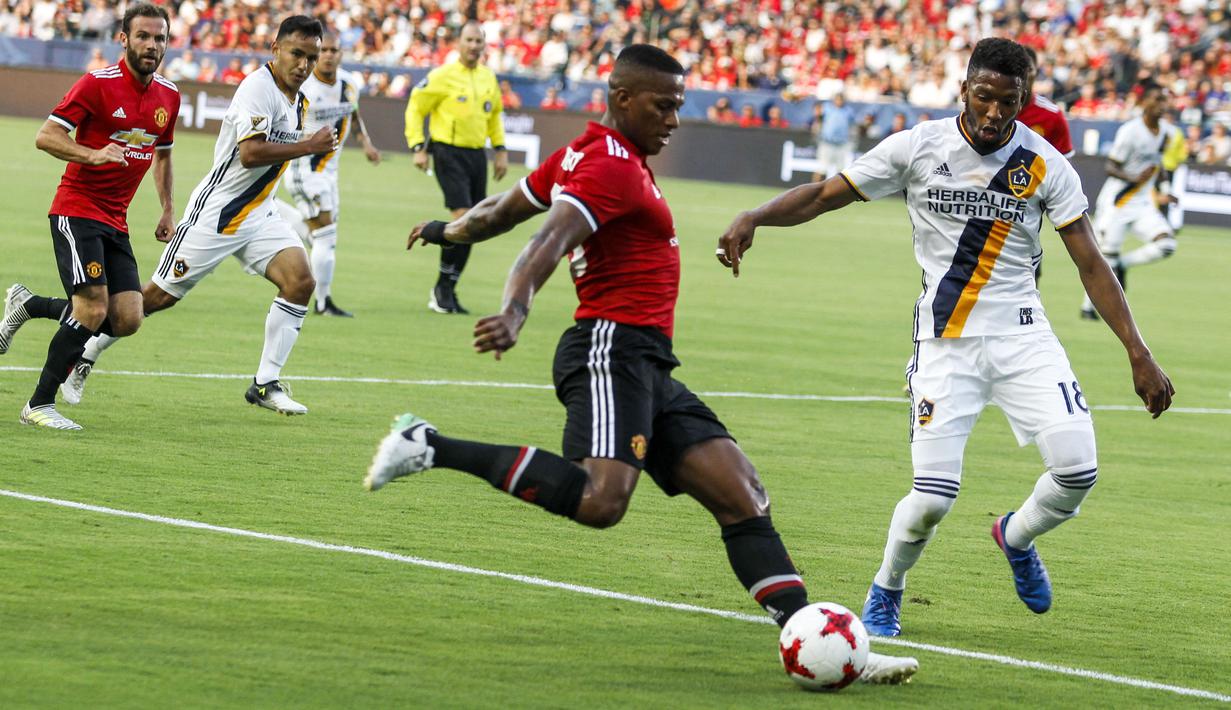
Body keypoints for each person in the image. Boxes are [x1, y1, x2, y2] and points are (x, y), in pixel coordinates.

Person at [368, 44, 918, 684]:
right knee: (601, 500)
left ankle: (822, 642)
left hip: (647, 362)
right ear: (623, 98)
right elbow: (547, 240)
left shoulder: (584, 156)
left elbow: (496, 212)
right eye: (663, 106)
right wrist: (515, 311)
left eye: (679, 106)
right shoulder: (608, 167)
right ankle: (427, 445)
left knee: (743, 494)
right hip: (610, 349)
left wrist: (446, 230)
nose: (674, 120)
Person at [716, 38, 1173, 637]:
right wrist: (755, 216)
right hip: (945, 341)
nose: (993, 113)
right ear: (964, 91)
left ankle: (1016, 536)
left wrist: (1138, 352)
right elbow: (826, 195)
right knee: (933, 497)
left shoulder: (1044, 165)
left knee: (1077, 471)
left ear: (1023, 101)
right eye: (983, 97)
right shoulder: (918, 147)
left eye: (1008, 102)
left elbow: (1091, 262)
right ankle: (887, 587)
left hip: (1024, 337)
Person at [61, 16, 336, 415]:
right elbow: (250, 153)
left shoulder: (299, 100)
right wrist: (309, 145)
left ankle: (265, 383)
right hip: (218, 215)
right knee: (154, 299)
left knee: (300, 282)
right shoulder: (258, 88)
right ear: (276, 49)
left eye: (311, 57)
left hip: (260, 214)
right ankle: (86, 353)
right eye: (297, 53)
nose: (304, 65)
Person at [0, 3, 179, 430]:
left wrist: (168, 208)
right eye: (143, 36)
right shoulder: (97, 84)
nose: (152, 45)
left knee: (128, 317)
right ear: (124, 39)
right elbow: (47, 136)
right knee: (92, 309)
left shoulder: (169, 96)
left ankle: (28, 304)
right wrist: (93, 154)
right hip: (76, 209)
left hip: (116, 220)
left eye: (159, 38)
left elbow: (163, 154)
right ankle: (38, 404)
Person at [404, 22, 508, 315]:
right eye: (469, 40)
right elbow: (416, 107)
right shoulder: (442, 76)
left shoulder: (488, 77)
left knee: (477, 224)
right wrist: (417, 146)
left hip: (477, 155)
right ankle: (442, 289)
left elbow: (494, 116)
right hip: (447, 152)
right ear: (458, 43)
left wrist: (500, 150)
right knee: (464, 219)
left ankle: (448, 287)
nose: (474, 46)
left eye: (479, 41)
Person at [280, 31, 382, 317]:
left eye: (333, 50)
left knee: (320, 237)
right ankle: (323, 303)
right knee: (326, 236)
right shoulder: (304, 86)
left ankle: (270, 211)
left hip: (329, 172)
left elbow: (353, 113)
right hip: (305, 168)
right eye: (322, 50)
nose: (328, 55)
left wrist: (365, 142)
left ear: (341, 54)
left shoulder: (350, 84)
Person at [1080, 81, 1178, 320]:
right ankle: (1088, 307)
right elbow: (1111, 166)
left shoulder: (1167, 132)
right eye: (1156, 99)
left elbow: (1158, 164)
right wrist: (1132, 177)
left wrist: (1166, 189)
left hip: (1143, 204)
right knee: (1105, 257)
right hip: (1118, 203)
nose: (1161, 104)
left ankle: (1123, 264)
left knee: (1166, 245)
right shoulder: (1130, 131)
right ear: (1144, 102)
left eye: (1164, 100)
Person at [1018, 45, 1074, 280]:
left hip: (1027, 205)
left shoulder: (1051, 116)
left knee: (1028, 266)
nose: (1022, 75)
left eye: (1027, 69)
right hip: (984, 197)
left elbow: (1065, 167)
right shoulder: (991, 110)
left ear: (1035, 71)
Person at [815, 93, 854, 181]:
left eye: (841, 99)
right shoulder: (827, 107)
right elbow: (818, 116)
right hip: (827, 142)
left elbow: (852, 125)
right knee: (822, 169)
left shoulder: (848, 111)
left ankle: (835, 190)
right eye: (837, 99)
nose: (839, 101)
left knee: (840, 171)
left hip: (841, 144)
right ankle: (816, 188)